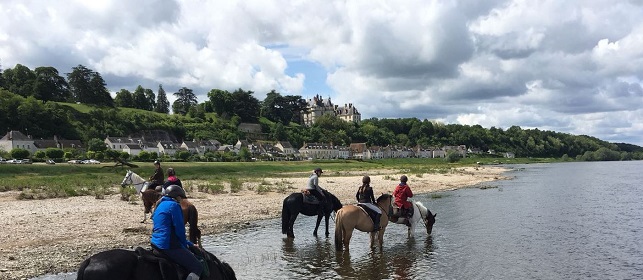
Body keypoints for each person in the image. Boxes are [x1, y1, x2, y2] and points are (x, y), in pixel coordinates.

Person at [151, 185, 202, 280]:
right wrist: (186, 247)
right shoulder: (174, 206)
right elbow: (180, 231)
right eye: (181, 198)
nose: (181, 200)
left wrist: (189, 243)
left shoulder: (160, 204)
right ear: (178, 197)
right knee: (197, 267)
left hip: (155, 243)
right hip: (167, 245)